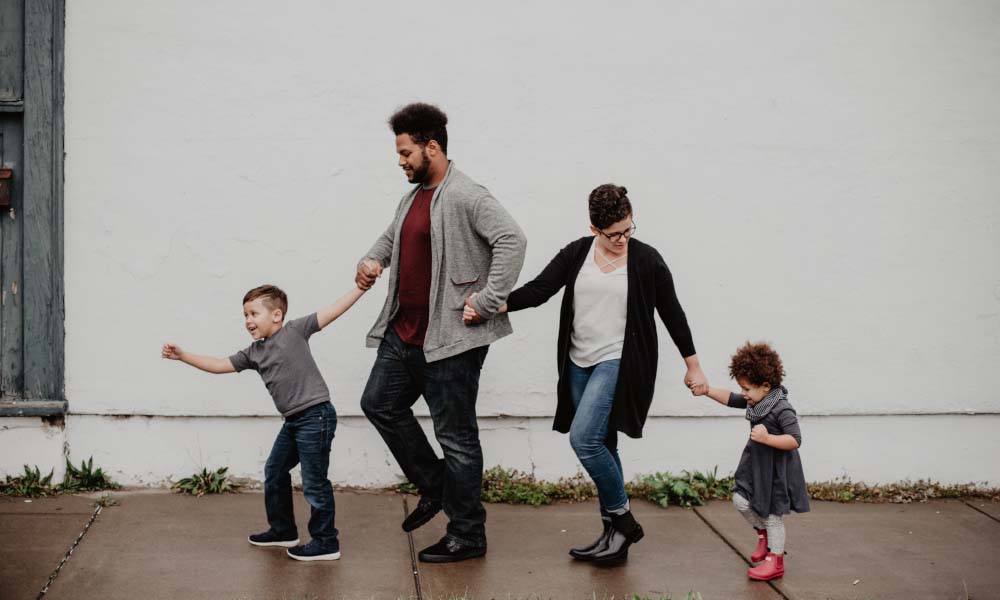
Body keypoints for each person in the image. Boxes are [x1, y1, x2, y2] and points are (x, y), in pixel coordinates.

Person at [465, 184, 707, 563]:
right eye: (614, 234)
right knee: (604, 444)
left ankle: (624, 521)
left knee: (584, 440)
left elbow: (672, 312)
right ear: (595, 229)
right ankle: (614, 538)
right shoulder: (578, 253)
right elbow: (540, 290)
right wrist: (491, 306)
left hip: (618, 361)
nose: (623, 239)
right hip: (578, 362)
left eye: (629, 230)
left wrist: (693, 365)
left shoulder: (646, 260)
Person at [356, 102, 526, 563]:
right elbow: (392, 238)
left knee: (457, 438)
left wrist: (488, 300)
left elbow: (513, 240)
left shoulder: (467, 195)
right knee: (379, 404)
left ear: (432, 147)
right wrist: (371, 261)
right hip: (404, 333)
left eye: (406, 152)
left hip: (450, 340)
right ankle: (435, 487)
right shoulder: (412, 197)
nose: (401, 161)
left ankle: (468, 533)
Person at [161, 284, 366, 561]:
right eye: (245, 315)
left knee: (314, 482)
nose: (248, 321)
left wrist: (361, 288)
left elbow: (333, 310)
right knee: (275, 470)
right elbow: (220, 364)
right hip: (293, 421)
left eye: (254, 314)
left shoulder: (295, 330)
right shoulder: (254, 353)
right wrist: (183, 356)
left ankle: (326, 541)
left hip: (316, 416)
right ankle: (283, 530)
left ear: (277, 315)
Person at [695, 341, 809, 581]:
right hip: (756, 465)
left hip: (776, 470)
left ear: (766, 386)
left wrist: (768, 438)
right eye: (742, 388)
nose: (743, 394)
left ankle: (775, 560)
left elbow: (795, 439)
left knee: (772, 515)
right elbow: (730, 398)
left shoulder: (782, 408)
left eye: (747, 389)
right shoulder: (756, 402)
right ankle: (763, 536)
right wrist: (707, 390)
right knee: (740, 499)